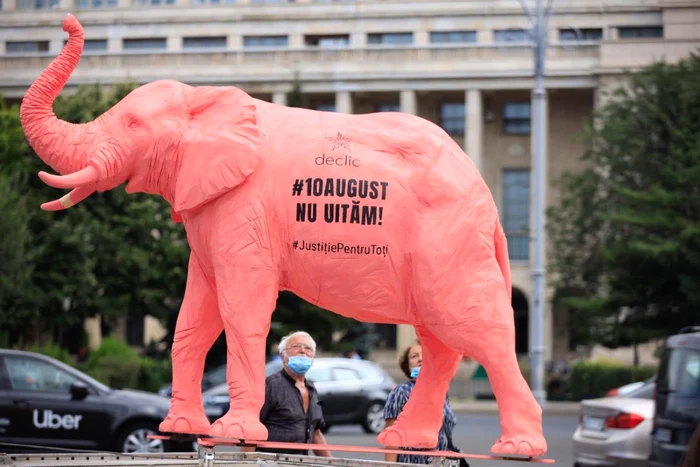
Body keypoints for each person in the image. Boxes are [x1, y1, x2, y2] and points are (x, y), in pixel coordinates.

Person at [242, 331, 331, 457]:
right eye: (296, 346)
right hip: (269, 463)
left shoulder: (311, 389)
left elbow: (315, 432)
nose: (302, 350)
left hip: (301, 463)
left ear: (312, 358)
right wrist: (247, 463)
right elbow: (250, 429)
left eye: (308, 348)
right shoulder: (270, 386)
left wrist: (331, 463)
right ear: (283, 356)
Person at [383, 341, 465, 466]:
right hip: (412, 463)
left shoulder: (440, 392)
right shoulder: (401, 392)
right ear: (407, 365)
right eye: (414, 356)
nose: (420, 359)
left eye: (425, 355)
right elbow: (391, 436)